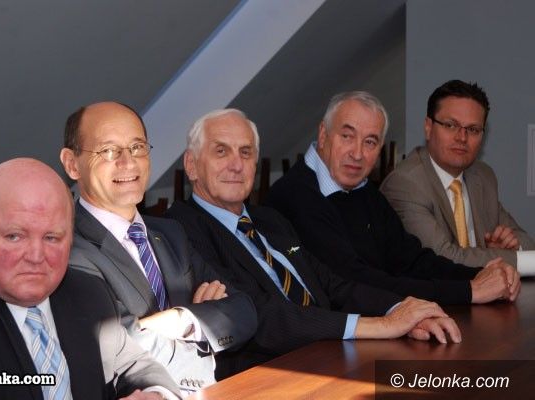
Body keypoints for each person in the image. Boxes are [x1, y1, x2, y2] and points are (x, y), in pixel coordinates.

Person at [166, 108, 461, 377]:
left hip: (331, 351)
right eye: (221, 151)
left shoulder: (269, 219)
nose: (236, 165)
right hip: (273, 372)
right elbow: (258, 314)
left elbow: (332, 284)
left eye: (246, 152)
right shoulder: (178, 230)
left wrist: (399, 309)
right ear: (192, 165)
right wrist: (381, 326)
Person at [0, 158, 180, 400]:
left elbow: (138, 367)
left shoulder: (89, 293)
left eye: (52, 238)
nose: (35, 256)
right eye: (14, 236)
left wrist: (156, 395)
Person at [59, 102, 256, 386]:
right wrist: (204, 328)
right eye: (109, 150)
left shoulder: (170, 232)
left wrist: (183, 319)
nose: (128, 162)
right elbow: (122, 348)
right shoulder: (67, 249)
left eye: (137, 147)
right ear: (72, 164)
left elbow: (244, 310)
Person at [266, 91, 520, 306]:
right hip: (316, 341)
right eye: (347, 136)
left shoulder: (364, 191)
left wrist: (481, 275)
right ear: (323, 135)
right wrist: (468, 291)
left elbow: (411, 260)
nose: (357, 153)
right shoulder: (295, 196)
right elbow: (354, 282)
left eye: (370, 142)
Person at [381, 79, 535, 271]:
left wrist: (509, 248)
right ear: (428, 127)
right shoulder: (405, 183)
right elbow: (443, 258)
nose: (462, 138)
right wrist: (511, 258)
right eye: (450, 125)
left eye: (473, 129)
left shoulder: (483, 175)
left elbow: (525, 241)